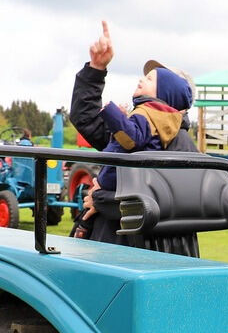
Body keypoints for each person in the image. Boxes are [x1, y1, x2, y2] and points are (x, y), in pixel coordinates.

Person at [70, 20, 196, 245]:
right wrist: (95, 69)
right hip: (111, 244)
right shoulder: (137, 129)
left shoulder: (180, 142)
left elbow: (166, 204)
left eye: (156, 81)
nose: (144, 82)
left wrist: (101, 198)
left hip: (149, 252)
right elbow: (86, 119)